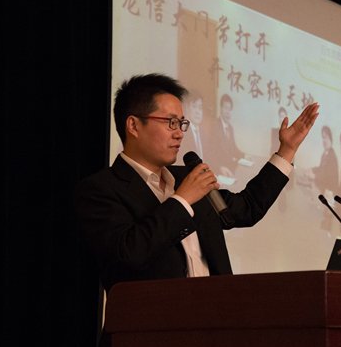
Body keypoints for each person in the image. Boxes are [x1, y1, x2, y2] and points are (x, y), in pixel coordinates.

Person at [75, 73, 319, 291]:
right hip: (153, 325)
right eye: (171, 122)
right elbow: (127, 255)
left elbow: (247, 208)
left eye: (182, 123)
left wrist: (287, 150)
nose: (179, 132)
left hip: (214, 320)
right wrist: (182, 200)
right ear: (134, 126)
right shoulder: (100, 190)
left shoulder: (186, 178)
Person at [206, 93, 244, 177]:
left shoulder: (230, 128)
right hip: (219, 169)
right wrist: (219, 167)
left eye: (229, 109)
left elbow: (234, 148)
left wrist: (244, 155)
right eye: (226, 108)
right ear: (221, 109)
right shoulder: (214, 126)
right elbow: (210, 153)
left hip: (230, 166)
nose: (228, 112)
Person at [178, 90, 206, 161]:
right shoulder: (182, 131)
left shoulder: (205, 134)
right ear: (187, 108)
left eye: (200, 108)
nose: (197, 112)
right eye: (194, 106)